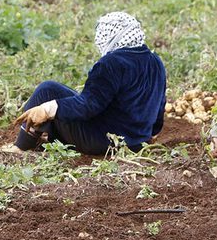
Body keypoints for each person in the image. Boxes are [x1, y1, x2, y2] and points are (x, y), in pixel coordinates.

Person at [13, 12, 167, 155]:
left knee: (47, 90)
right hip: (138, 143)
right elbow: (159, 108)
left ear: (112, 36)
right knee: (61, 98)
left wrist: (47, 110)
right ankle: (42, 136)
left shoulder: (111, 63)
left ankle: (20, 147)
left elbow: (88, 106)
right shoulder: (155, 62)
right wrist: (148, 135)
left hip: (105, 142)